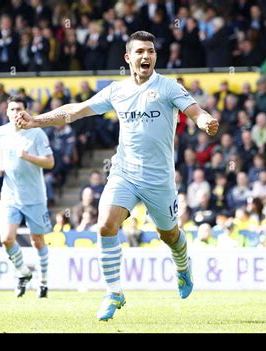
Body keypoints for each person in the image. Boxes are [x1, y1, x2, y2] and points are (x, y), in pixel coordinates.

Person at [16, 31, 219, 321]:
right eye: (139, 52)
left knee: (170, 235)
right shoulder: (117, 91)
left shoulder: (168, 87)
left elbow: (196, 111)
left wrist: (206, 122)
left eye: (150, 51)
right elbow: (75, 111)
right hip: (124, 172)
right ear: (128, 58)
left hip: (159, 179)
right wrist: (36, 120)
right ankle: (113, 292)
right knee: (105, 225)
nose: (146, 56)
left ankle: (183, 265)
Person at [0, 96, 54, 298]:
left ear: (26, 111)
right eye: (11, 109)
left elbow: (50, 163)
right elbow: (0, 153)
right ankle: (23, 273)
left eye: (19, 109)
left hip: (34, 196)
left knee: (37, 240)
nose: (15, 113)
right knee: (6, 239)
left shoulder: (37, 133)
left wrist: (28, 157)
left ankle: (44, 282)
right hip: (10, 195)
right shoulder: (1, 132)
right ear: (7, 112)